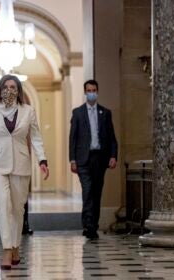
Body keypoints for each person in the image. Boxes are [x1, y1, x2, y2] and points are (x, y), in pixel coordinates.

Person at [0, 74, 49, 269]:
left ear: (19, 90)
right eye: (6, 86)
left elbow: (36, 137)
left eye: (14, 87)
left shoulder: (28, 111)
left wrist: (42, 159)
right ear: (0, 89)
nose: (10, 90)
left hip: (21, 163)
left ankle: (16, 245)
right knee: (3, 204)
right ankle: (7, 250)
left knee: (18, 208)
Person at [69, 79, 118, 240]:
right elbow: (73, 138)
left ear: (97, 91)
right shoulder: (77, 113)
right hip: (84, 159)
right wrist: (72, 160)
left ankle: (93, 225)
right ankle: (88, 225)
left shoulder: (105, 113)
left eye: (94, 90)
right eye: (89, 90)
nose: (91, 92)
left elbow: (112, 137)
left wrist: (113, 156)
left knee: (97, 193)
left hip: (100, 159)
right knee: (88, 191)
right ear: (85, 92)